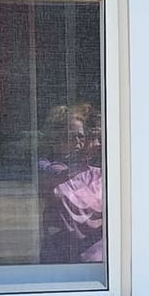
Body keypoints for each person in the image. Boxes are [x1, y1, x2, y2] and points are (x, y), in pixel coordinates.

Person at [38, 102, 104, 264]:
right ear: (56, 138)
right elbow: (58, 175)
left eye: (81, 137)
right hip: (59, 257)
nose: (77, 142)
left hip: (97, 259)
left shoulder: (97, 174)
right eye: (70, 136)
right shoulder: (46, 167)